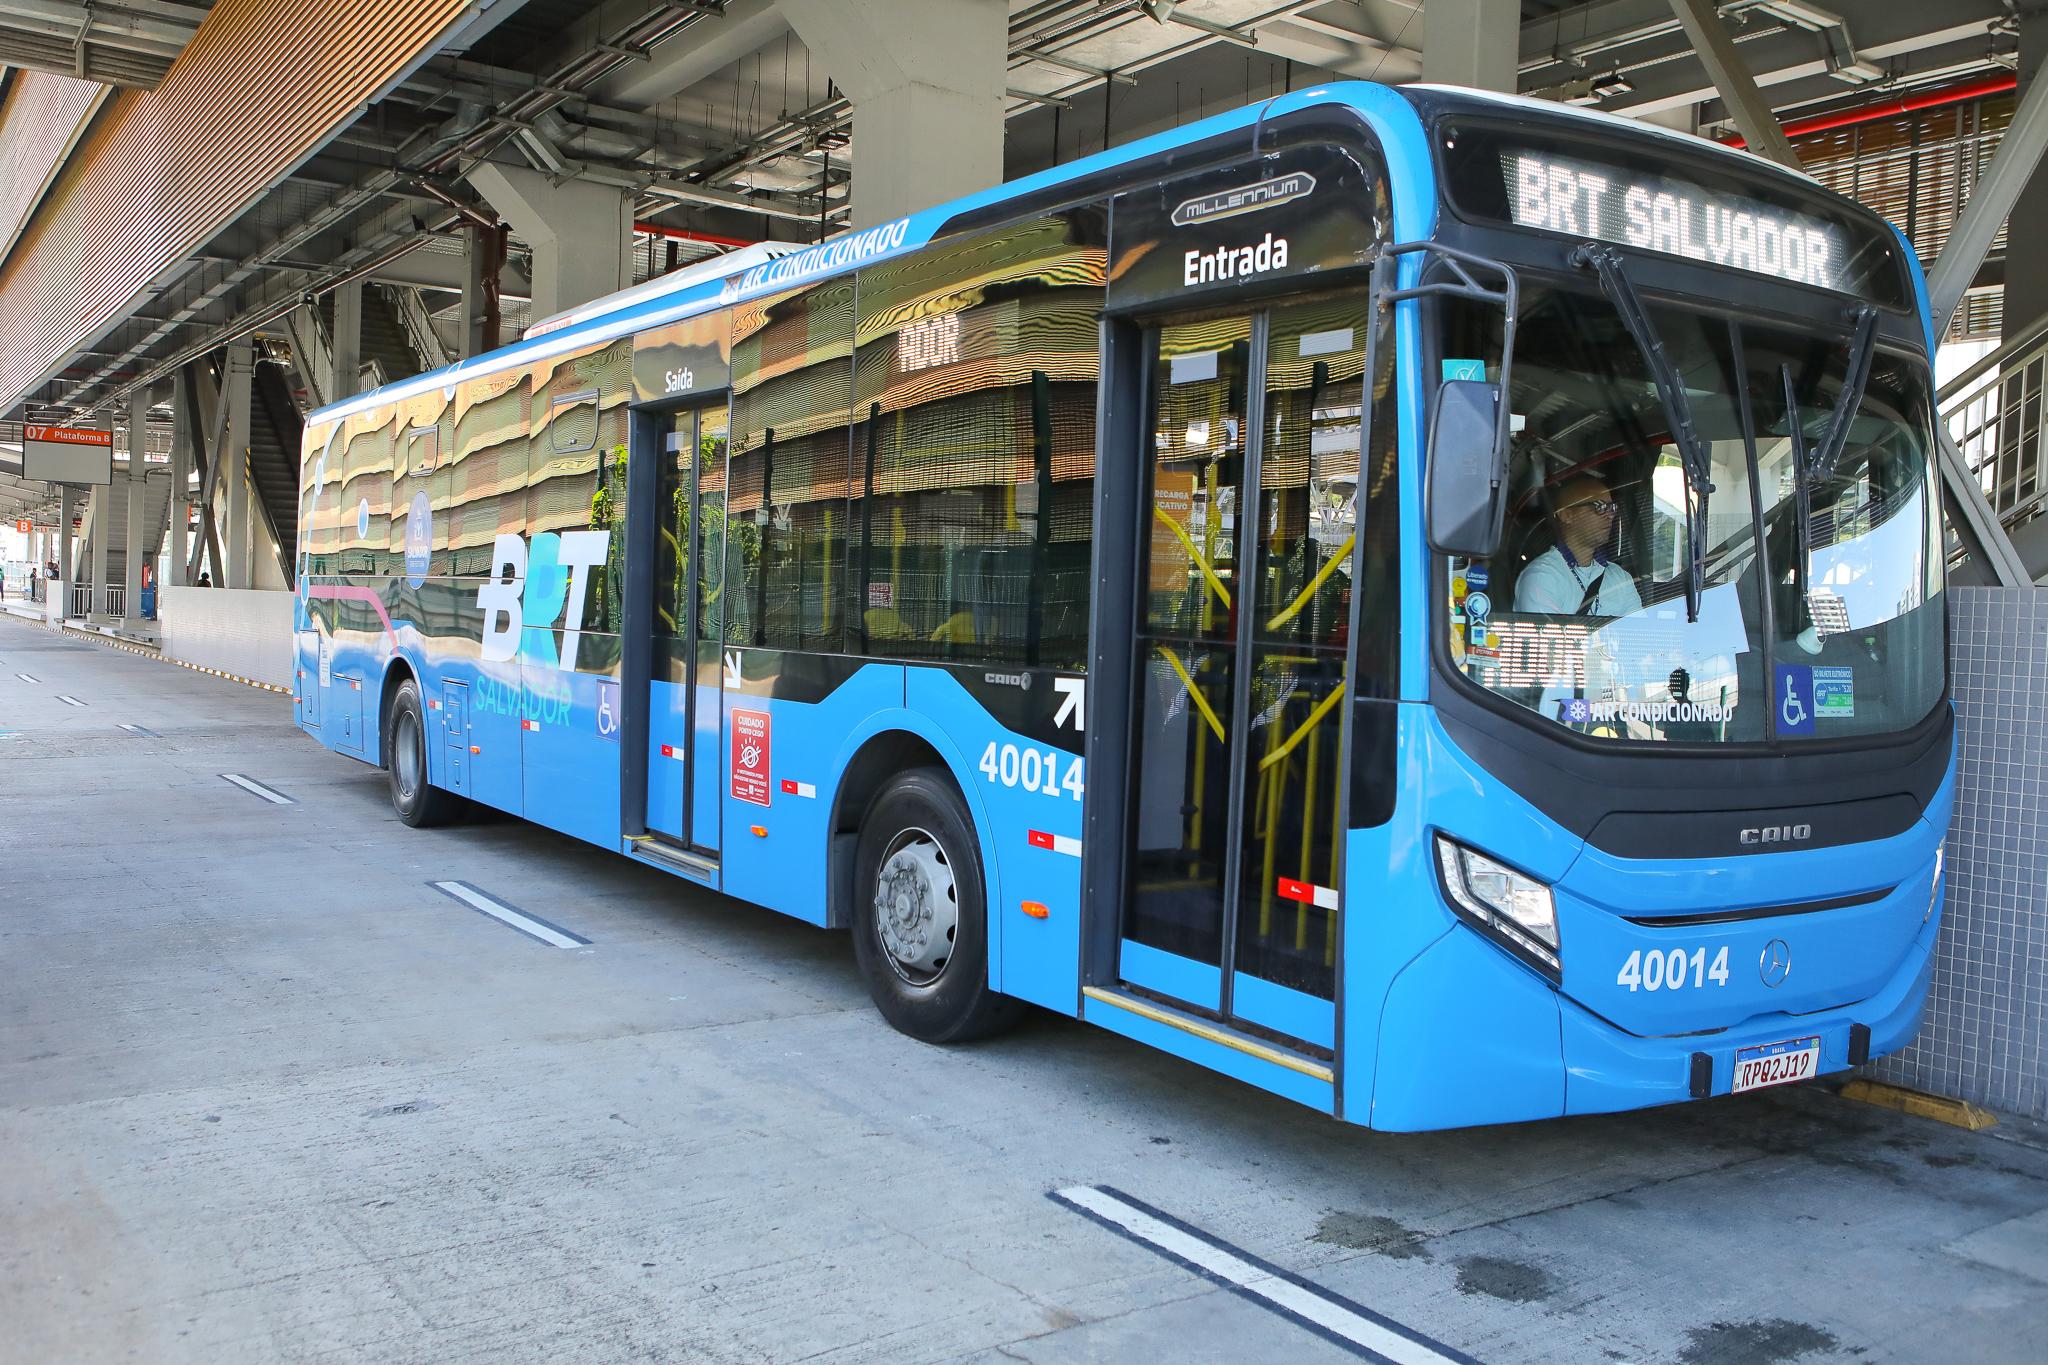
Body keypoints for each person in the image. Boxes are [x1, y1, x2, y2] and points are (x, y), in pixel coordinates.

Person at [1513, 472, 1642, 617]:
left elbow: (1638, 634)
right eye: (1600, 507)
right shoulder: (1541, 576)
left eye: (1612, 508)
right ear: (1567, 515)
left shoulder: (1620, 577)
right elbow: (1547, 638)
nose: (1610, 515)